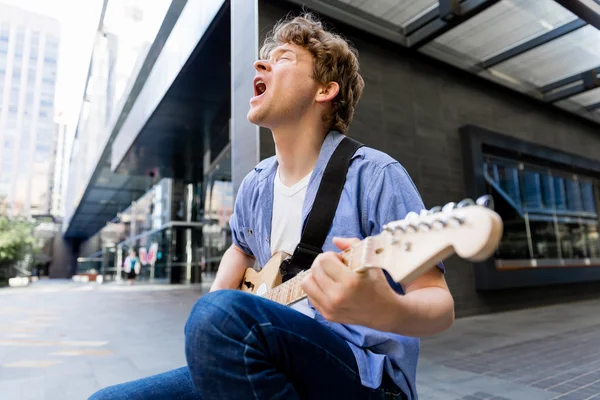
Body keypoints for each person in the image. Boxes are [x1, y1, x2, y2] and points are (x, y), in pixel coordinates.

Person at [90, 12, 455, 400]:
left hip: (366, 375)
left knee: (220, 317)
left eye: (284, 58)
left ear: (324, 91)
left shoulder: (377, 175)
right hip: (268, 356)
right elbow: (240, 248)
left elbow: (440, 303)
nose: (261, 63)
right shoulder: (255, 184)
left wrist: (385, 309)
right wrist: (216, 303)